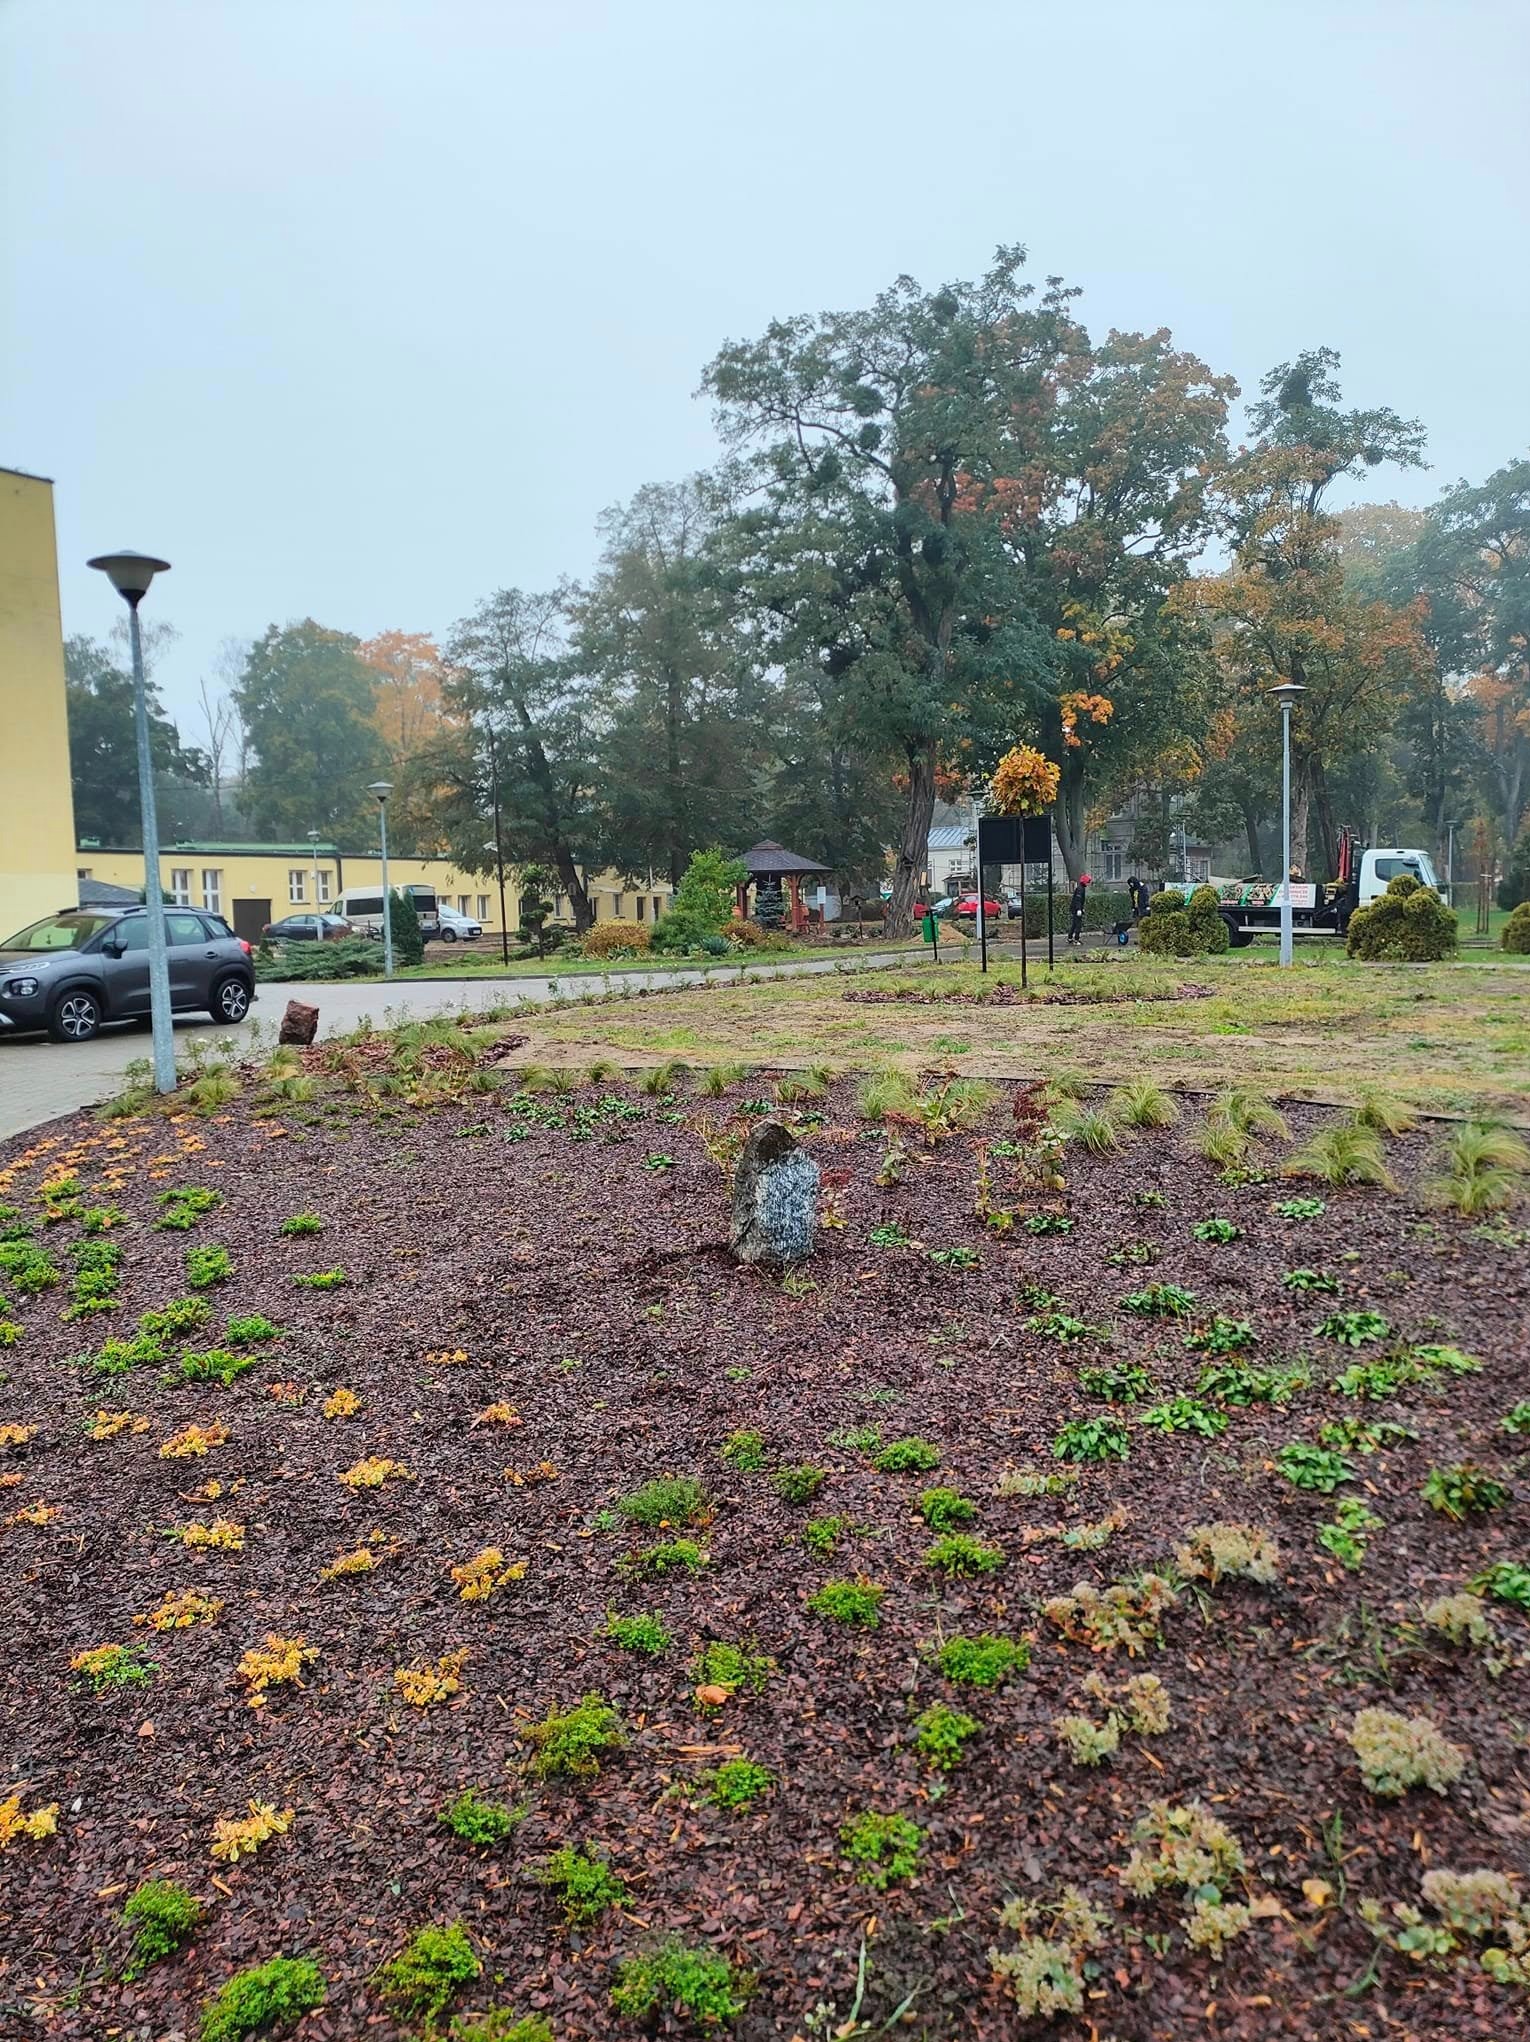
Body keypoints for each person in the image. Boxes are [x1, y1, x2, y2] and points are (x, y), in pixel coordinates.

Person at [1069, 872, 1091, 945]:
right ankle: (1076, 939)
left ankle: (1070, 938)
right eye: (1088, 882)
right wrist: (1079, 909)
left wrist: (1081, 908)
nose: (1088, 884)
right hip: (1076, 909)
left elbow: (1079, 900)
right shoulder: (1080, 889)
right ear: (1084, 882)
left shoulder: (1081, 888)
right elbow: (1078, 900)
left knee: (1074, 924)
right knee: (1078, 924)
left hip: (1075, 908)